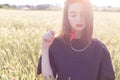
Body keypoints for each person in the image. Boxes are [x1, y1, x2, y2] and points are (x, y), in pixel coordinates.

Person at [37, 0, 115, 80]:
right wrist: (45, 48)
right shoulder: (55, 45)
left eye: (83, 14)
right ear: (67, 17)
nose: (79, 19)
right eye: (73, 15)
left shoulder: (99, 49)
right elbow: (48, 78)